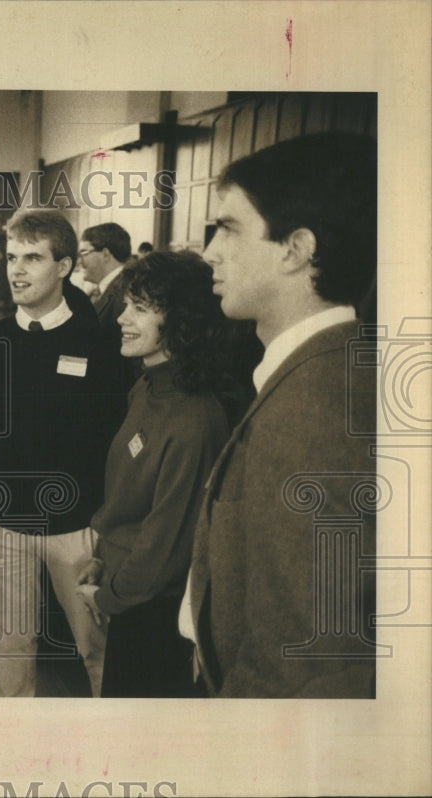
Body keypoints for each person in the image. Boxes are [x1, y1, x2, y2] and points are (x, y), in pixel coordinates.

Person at [187, 132, 378, 698]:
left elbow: (308, 662)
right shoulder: (323, 369)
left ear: (296, 250)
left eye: (229, 228)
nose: (209, 252)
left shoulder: (315, 411)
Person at [0, 210, 126, 697]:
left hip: (76, 529)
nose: (17, 269)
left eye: (32, 257)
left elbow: (112, 436)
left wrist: (102, 522)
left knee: (98, 648)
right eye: (11, 257)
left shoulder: (101, 343)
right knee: (9, 650)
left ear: (64, 266)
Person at [76, 251, 231, 697]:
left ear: (181, 320)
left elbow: (167, 543)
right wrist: (104, 559)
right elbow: (132, 503)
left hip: (154, 613)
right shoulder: (146, 385)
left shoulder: (194, 420)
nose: (123, 318)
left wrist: (109, 596)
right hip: (128, 593)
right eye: (126, 304)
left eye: (140, 308)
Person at [78, 222, 132, 332]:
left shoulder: (126, 293)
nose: (79, 261)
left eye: (84, 253)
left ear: (105, 254)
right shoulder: (98, 291)